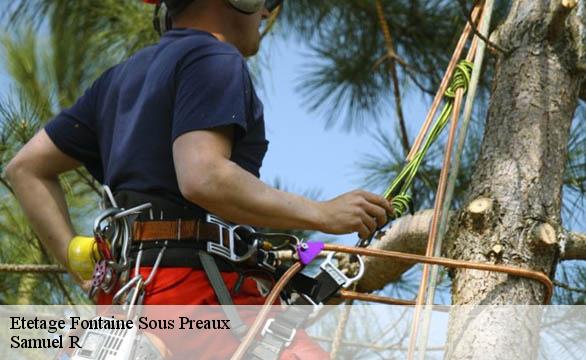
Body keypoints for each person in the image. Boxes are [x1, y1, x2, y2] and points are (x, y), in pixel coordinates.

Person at [5, 0, 392, 357]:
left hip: (126, 302)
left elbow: (25, 168)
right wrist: (324, 214)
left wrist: (85, 268)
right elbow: (203, 177)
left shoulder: (119, 78)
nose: (267, 13)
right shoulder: (214, 56)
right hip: (196, 298)